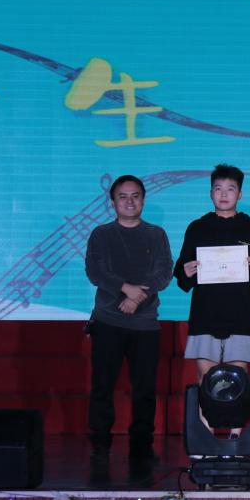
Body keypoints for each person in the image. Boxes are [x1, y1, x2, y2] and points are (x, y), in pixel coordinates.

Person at [174, 164, 250, 437]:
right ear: (210, 193)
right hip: (205, 314)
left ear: (240, 194)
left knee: (237, 378)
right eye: (218, 188)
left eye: (230, 189)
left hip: (241, 314)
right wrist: (185, 271)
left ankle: (234, 437)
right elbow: (181, 274)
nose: (224, 194)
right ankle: (204, 438)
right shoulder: (197, 228)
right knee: (205, 378)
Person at [84, 175, 173, 463]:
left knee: (144, 389)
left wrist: (136, 298)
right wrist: (125, 289)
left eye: (135, 196)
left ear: (143, 200)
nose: (129, 201)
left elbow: (164, 273)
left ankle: (142, 445)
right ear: (113, 202)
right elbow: (95, 271)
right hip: (107, 321)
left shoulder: (156, 234)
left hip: (145, 324)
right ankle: (100, 445)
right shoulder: (101, 234)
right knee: (102, 386)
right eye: (123, 196)